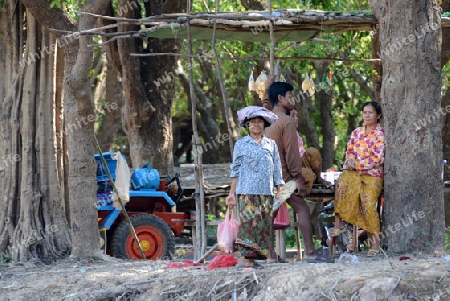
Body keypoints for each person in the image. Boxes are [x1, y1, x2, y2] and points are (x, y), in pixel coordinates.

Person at [226, 106, 284, 269]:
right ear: (247, 126)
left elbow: (277, 168)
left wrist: (279, 189)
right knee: (247, 226)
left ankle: (255, 260)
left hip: (266, 192)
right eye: (253, 122)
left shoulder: (271, 145)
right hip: (246, 192)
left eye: (259, 122)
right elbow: (235, 169)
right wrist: (231, 193)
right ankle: (247, 260)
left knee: (262, 226)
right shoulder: (241, 144)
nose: (256, 125)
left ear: (264, 125)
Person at [263, 81, 316, 259]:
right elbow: (292, 154)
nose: (293, 99)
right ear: (280, 98)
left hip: (267, 175)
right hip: (284, 175)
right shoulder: (287, 122)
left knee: (271, 213)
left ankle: (270, 255)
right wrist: (298, 178)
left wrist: (268, 87)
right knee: (302, 209)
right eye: (290, 95)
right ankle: (310, 252)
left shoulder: (265, 119)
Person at [331, 101, 385, 257]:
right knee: (342, 181)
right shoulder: (356, 132)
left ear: (378, 115)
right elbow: (350, 152)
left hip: (373, 175)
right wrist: (349, 162)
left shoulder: (380, 134)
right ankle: (338, 222)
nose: (367, 115)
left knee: (367, 203)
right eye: (364, 112)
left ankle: (375, 243)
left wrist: (357, 165)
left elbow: (377, 159)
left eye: (371, 112)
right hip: (355, 173)